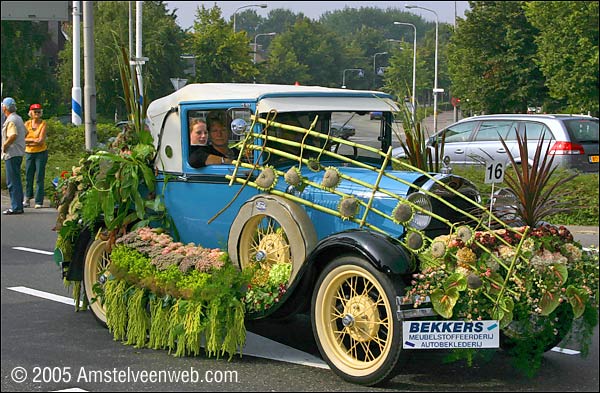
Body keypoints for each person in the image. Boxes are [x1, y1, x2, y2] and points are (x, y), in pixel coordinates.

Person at [1, 97, 27, 215]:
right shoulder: (18, 118)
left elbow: (12, 135)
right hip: (19, 152)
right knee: (16, 179)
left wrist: (4, 146)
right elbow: (25, 132)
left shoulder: (11, 120)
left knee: (12, 181)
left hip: (11, 153)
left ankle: (16, 207)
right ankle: (18, 205)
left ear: (5, 108)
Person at [23, 103, 49, 209]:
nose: (37, 114)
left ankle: (39, 201)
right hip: (29, 152)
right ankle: (27, 198)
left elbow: (41, 140)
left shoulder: (43, 124)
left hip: (41, 153)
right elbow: (22, 139)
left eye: (39, 112)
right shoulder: (27, 124)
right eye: (35, 112)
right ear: (31, 113)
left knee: (39, 176)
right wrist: (34, 140)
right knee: (29, 176)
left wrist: (30, 141)